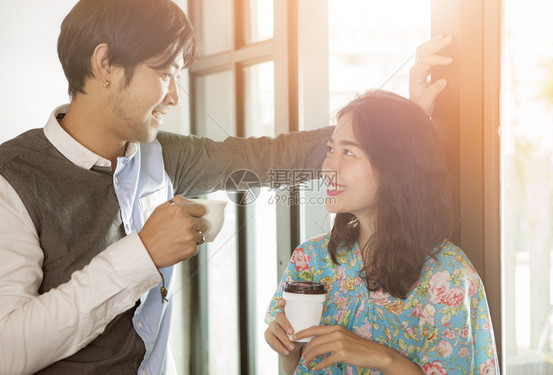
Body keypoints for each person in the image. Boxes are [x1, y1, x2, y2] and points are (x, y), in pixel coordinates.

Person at [0, 0, 451, 373]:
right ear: (105, 64)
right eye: (164, 72)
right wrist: (143, 254)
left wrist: (399, 124)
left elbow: (269, 159)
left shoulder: (161, 154)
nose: (176, 96)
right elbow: (9, 349)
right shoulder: (13, 179)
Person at [264, 90, 499, 374]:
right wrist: (287, 348)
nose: (328, 168)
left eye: (348, 152)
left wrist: (381, 357)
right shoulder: (310, 260)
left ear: (395, 167)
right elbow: (295, 368)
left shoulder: (446, 274)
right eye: (330, 149)